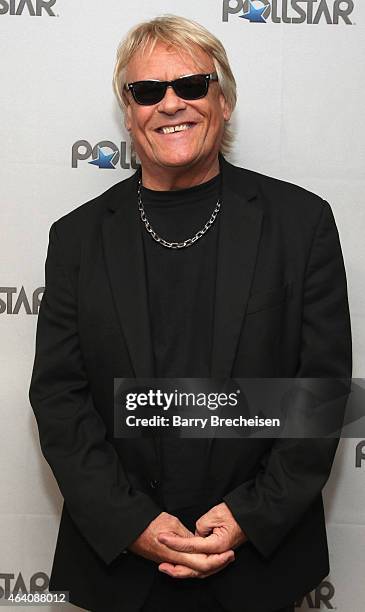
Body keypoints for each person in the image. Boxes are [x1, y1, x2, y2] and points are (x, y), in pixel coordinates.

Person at [29, 14, 352, 612]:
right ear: (128, 113)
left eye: (192, 85)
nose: (170, 104)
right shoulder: (75, 239)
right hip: (121, 567)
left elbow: (321, 392)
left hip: (258, 563)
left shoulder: (300, 224)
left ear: (223, 100)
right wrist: (132, 524)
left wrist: (250, 515)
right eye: (147, 92)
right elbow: (59, 400)